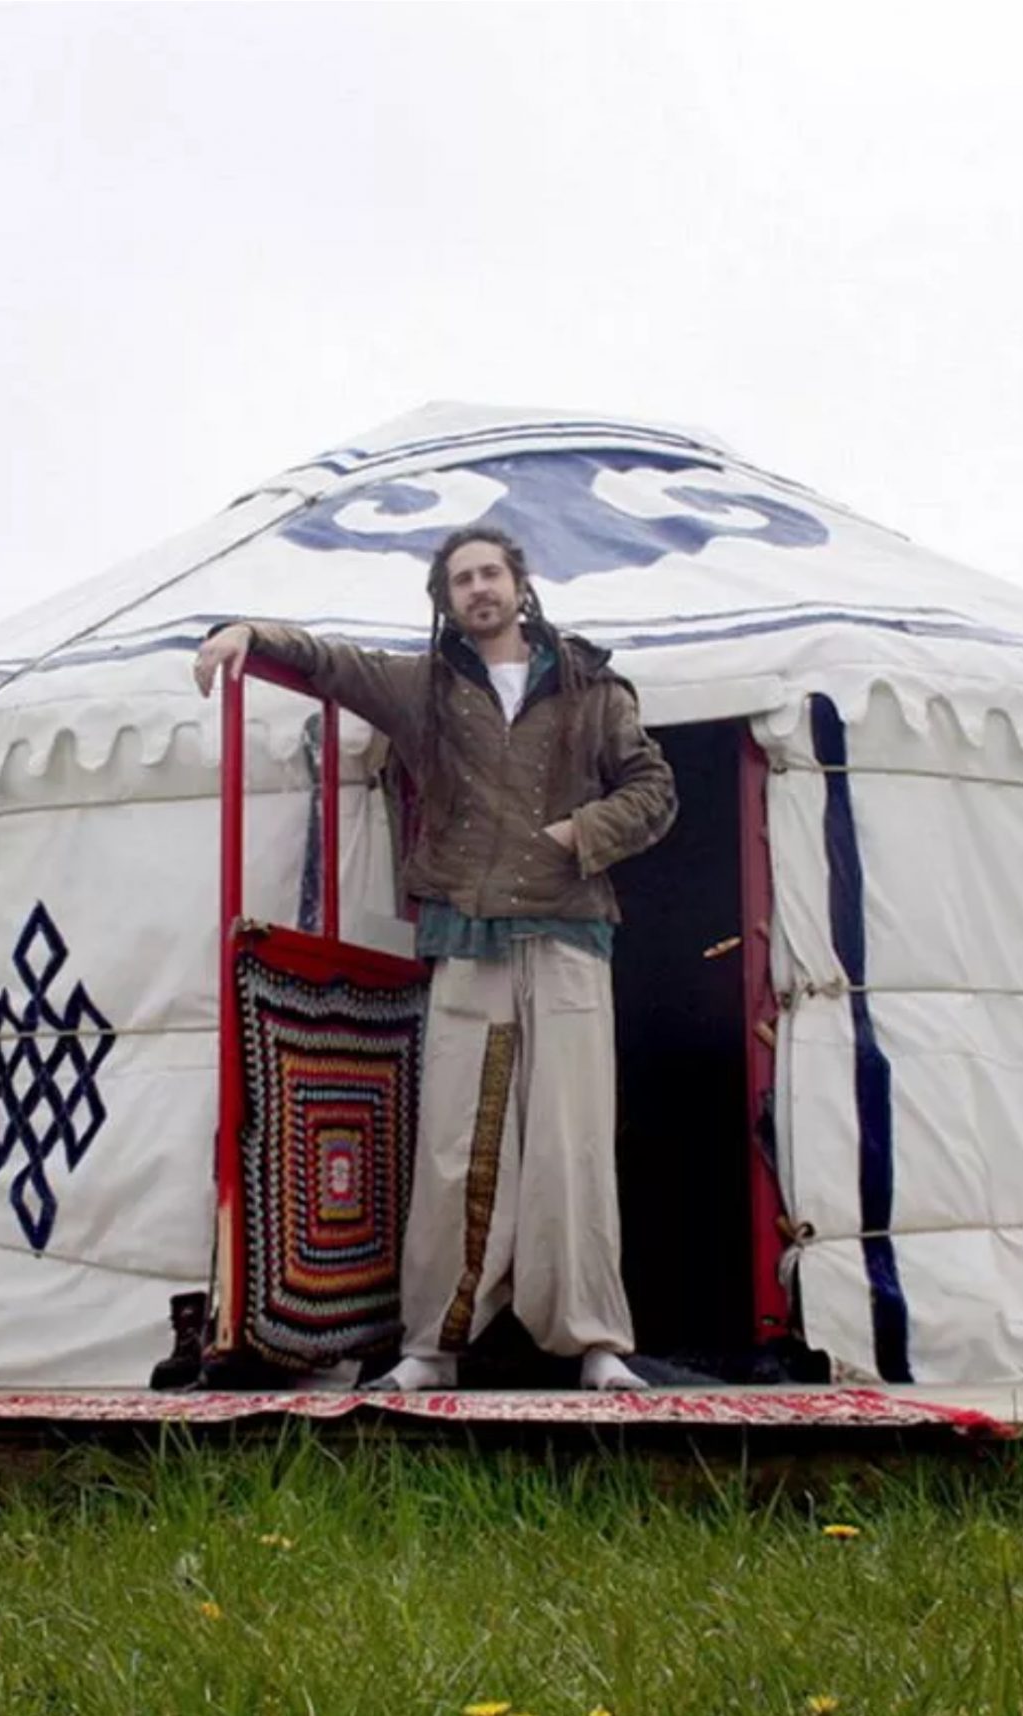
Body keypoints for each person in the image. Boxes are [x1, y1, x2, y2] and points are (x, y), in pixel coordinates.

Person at [192, 526, 676, 1390]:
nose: (479, 589)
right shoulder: (424, 689)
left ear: (520, 584)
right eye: (462, 579)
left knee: (570, 1141)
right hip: (466, 927)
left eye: (491, 573)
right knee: (457, 1141)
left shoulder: (593, 687)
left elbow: (655, 790)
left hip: (567, 930)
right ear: (445, 599)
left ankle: (595, 1341)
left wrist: (582, 832)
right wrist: (249, 635)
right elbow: (332, 662)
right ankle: (433, 1348)